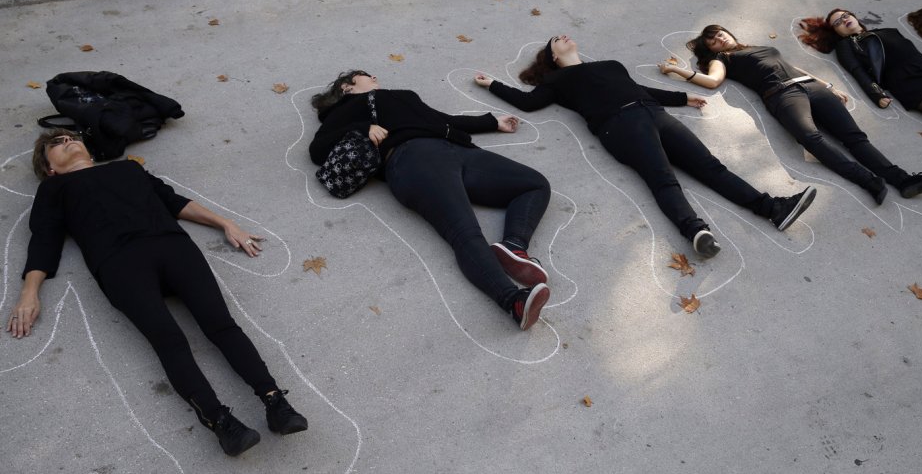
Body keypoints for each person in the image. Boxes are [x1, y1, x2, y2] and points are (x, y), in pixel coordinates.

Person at [7, 129, 308, 457]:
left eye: (70, 137)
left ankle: (275, 402)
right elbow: (44, 239)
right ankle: (221, 422)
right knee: (170, 342)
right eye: (56, 144)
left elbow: (173, 201)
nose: (67, 141)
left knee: (222, 326)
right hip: (120, 264)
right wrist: (29, 291)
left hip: (173, 247)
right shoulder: (54, 188)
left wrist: (224, 223)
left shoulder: (127, 168)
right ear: (49, 167)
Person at [474, 35, 817, 259]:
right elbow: (527, 102)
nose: (563, 36)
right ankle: (695, 230)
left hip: (653, 113)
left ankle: (773, 208)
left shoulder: (609, 65)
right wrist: (492, 86)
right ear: (552, 55)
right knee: (663, 179)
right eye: (555, 40)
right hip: (617, 126)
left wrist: (683, 97)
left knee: (712, 167)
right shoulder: (555, 81)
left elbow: (640, 88)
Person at [309, 70, 552, 331]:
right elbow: (317, 149)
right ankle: (513, 301)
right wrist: (362, 128)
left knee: (534, 184)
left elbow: (440, 119)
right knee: (465, 232)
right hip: (412, 160)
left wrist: (492, 123)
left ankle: (514, 247)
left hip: (458, 151)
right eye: (366, 75)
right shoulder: (347, 109)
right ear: (347, 86)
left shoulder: (402, 95)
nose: (375, 77)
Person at [659, 24, 922, 204]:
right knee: (811, 138)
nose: (720, 40)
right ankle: (868, 180)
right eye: (713, 41)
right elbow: (712, 81)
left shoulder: (760, 48)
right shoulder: (723, 59)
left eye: (721, 34)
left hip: (809, 86)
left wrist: (828, 85)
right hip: (782, 95)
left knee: (855, 137)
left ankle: (903, 181)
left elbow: (796, 68)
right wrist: (677, 70)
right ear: (710, 50)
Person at [800, 9, 922, 158]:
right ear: (837, 32)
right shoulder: (846, 46)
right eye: (837, 23)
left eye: (846, 15)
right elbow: (857, 72)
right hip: (910, 81)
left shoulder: (888, 30)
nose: (844, 20)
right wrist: (877, 94)